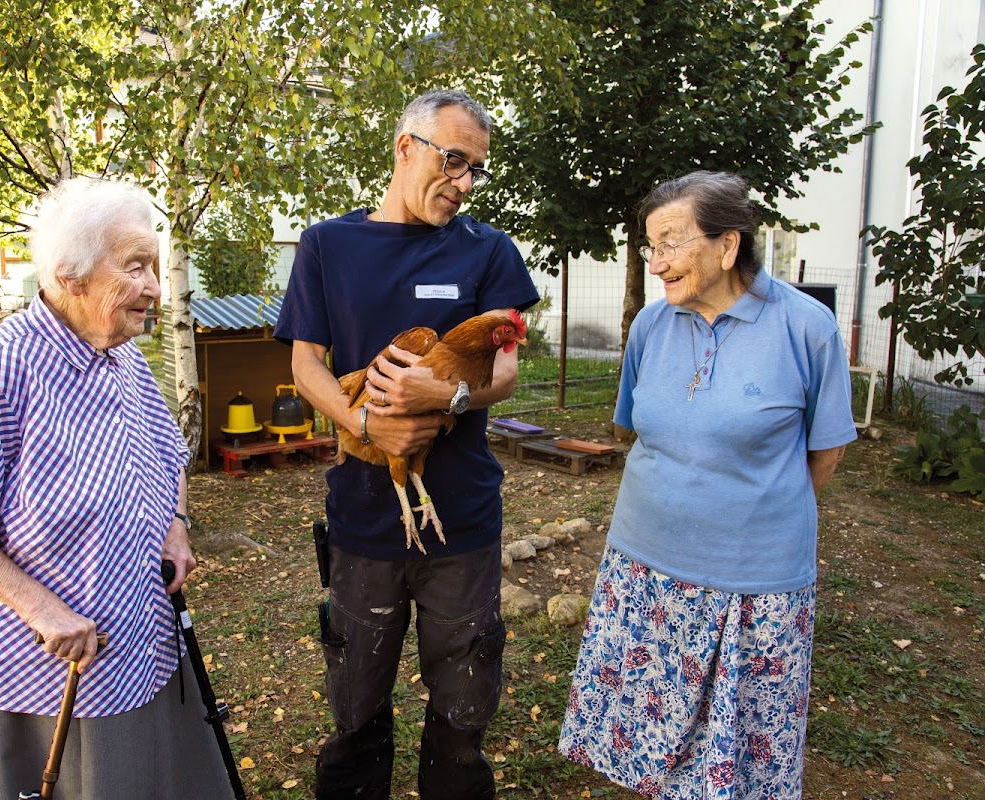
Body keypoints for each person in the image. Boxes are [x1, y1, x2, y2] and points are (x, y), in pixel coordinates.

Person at [0, 177, 233, 800]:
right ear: (72, 276)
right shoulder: (0, 369)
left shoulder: (124, 358)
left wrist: (176, 525)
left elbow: (168, 458)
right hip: (51, 660)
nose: (152, 287)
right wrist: (44, 611)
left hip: (138, 629)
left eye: (154, 264)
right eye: (135, 266)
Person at [274, 89, 539, 800]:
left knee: (463, 704)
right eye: (453, 161)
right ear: (404, 147)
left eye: (476, 170)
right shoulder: (328, 245)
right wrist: (368, 425)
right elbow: (306, 365)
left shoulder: (487, 250)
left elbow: (506, 367)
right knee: (356, 705)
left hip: (463, 519)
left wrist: (443, 397)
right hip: (363, 516)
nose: (464, 183)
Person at [558, 171, 857, 799]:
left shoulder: (807, 329)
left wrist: (749, 511)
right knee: (644, 739)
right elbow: (635, 427)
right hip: (645, 568)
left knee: (735, 756)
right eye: (650, 246)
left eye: (671, 243)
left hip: (752, 583)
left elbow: (822, 453)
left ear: (727, 245)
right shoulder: (649, 326)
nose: (657, 262)